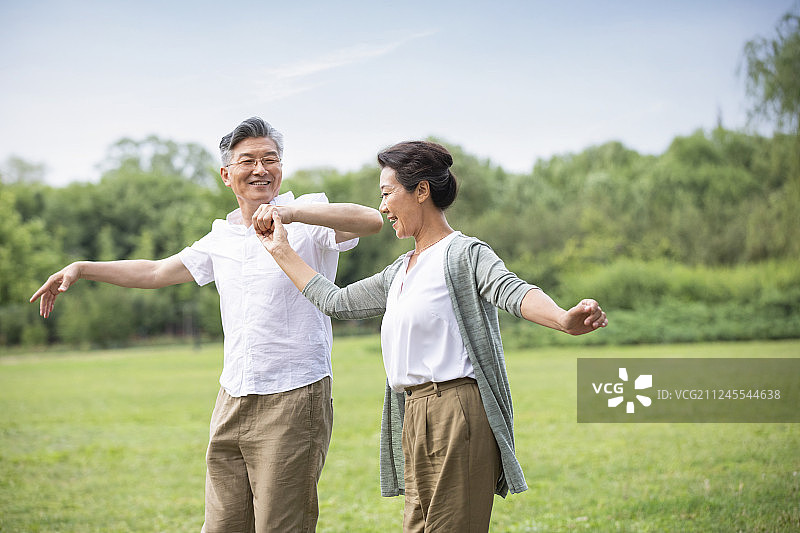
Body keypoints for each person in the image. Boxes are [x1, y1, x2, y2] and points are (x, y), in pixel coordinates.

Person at [30, 117, 384, 533]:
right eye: (247, 161)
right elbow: (156, 272)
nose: (260, 169)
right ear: (226, 174)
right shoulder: (221, 239)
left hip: (293, 394)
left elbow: (370, 220)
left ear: (281, 167)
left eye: (270, 159)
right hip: (232, 397)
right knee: (222, 525)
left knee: (280, 525)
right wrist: (83, 267)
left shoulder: (307, 219)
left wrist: (289, 212)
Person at [253, 140, 608, 532]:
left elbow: (512, 290)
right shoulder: (399, 271)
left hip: (457, 409)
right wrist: (280, 250)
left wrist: (562, 319)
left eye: (387, 193)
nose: (383, 207)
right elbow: (335, 301)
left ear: (421, 190)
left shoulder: (464, 253)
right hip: (413, 413)